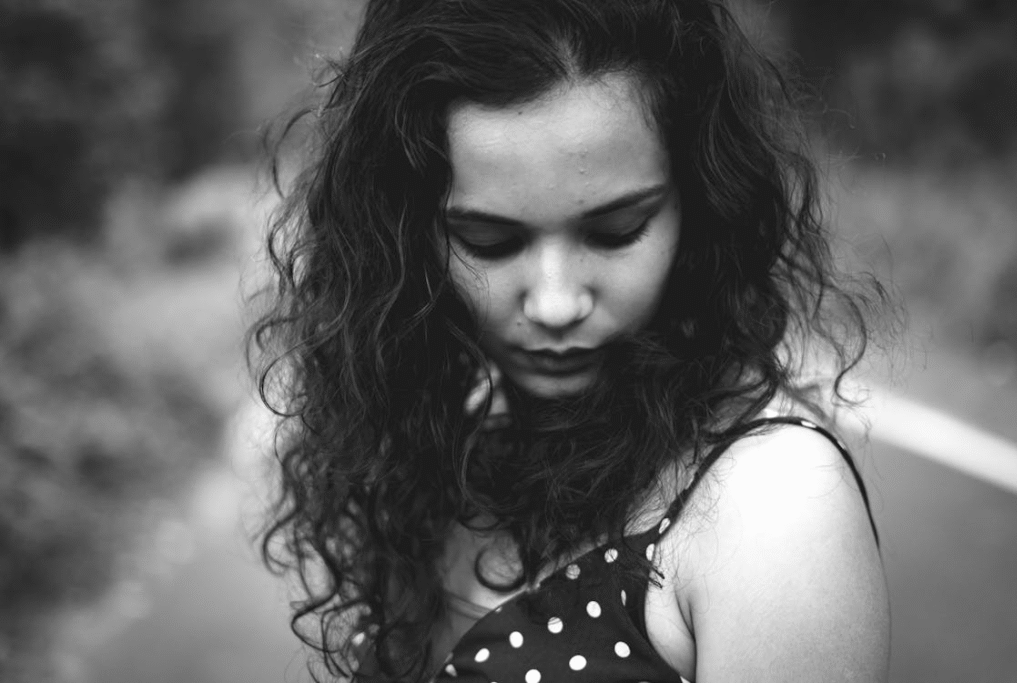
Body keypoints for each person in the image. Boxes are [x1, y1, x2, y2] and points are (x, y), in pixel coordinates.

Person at [249, 0, 892, 681]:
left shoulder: (774, 502)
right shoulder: (447, 447)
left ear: (702, 204)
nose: (555, 303)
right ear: (407, 238)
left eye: (615, 232)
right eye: (488, 241)